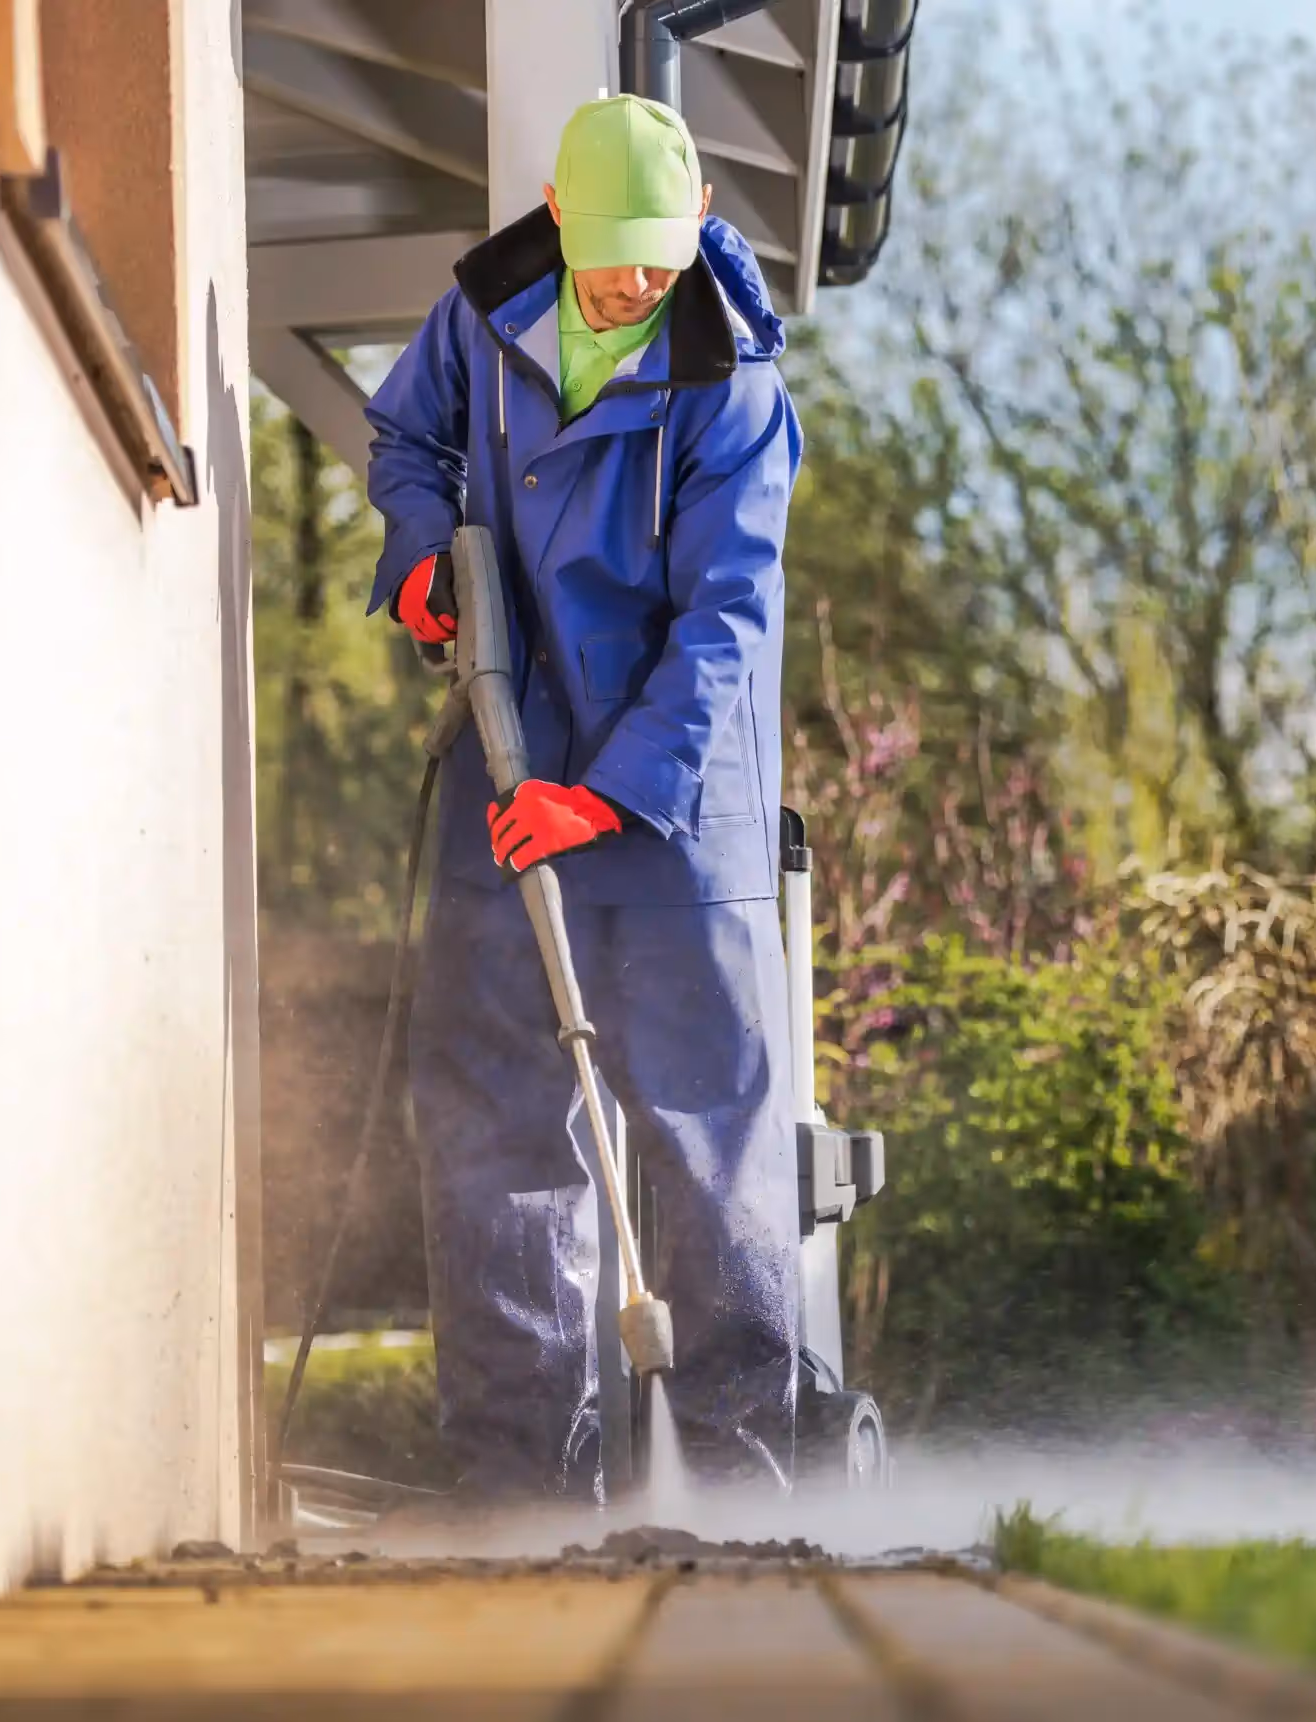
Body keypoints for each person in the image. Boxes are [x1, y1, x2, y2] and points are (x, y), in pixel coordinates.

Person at [361, 94, 801, 1502]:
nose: (635, 281)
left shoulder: (729, 382)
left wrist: (608, 794)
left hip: (668, 809)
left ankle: (744, 1489)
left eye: (660, 254)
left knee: (702, 1130)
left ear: (698, 230)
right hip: (510, 773)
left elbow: (726, 618)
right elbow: (406, 448)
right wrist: (424, 560)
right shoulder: (480, 323)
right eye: (614, 253)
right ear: (558, 217)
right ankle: (516, 1495)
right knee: (497, 1132)